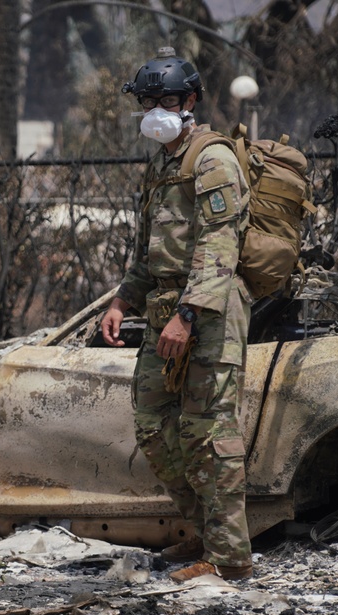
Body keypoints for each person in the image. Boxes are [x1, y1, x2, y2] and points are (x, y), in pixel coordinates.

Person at [100, 47, 254, 582]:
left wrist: (186, 315)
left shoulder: (214, 159)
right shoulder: (162, 163)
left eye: (165, 99)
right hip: (168, 305)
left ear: (189, 101)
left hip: (208, 310)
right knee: (152, 427)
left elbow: (220, 244)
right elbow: (150, 251)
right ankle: (204, 536)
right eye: (147, 101)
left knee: (208, 432)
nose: (154, 110)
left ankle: (231, 558)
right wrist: (123, 300)